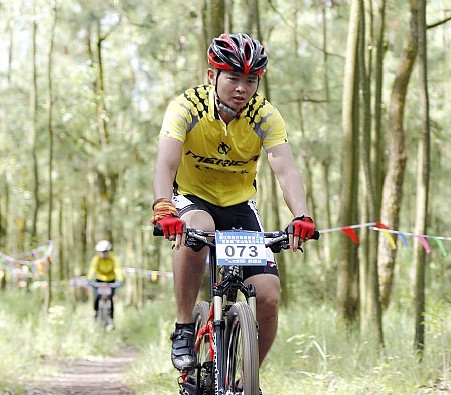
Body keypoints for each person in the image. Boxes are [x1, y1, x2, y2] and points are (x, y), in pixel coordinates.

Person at [151, 33, 316, 372]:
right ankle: (184, 325)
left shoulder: (265, 115)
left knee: (268, 294)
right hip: (192, 197)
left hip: (239, 207)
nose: (242, 88)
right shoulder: (186, 107)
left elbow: (286, 170)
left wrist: (301, 215)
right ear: (212, 75)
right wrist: (163, 206)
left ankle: (246, 381)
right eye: (233, 78)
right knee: (198, 228)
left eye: (250, 80)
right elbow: (165, 163)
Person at [87, 240, 125, 327]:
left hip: (111, 280)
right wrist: (89, 279)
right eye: (102, 252)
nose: (104, 254)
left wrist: (120, 280)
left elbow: (118, 269)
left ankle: (111, 319)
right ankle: (95, 313)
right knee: (97, 298)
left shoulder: (113, 258)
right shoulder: (96, 259)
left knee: (110, 299)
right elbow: (92, 268)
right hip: (99, 280)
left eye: (106, 252)